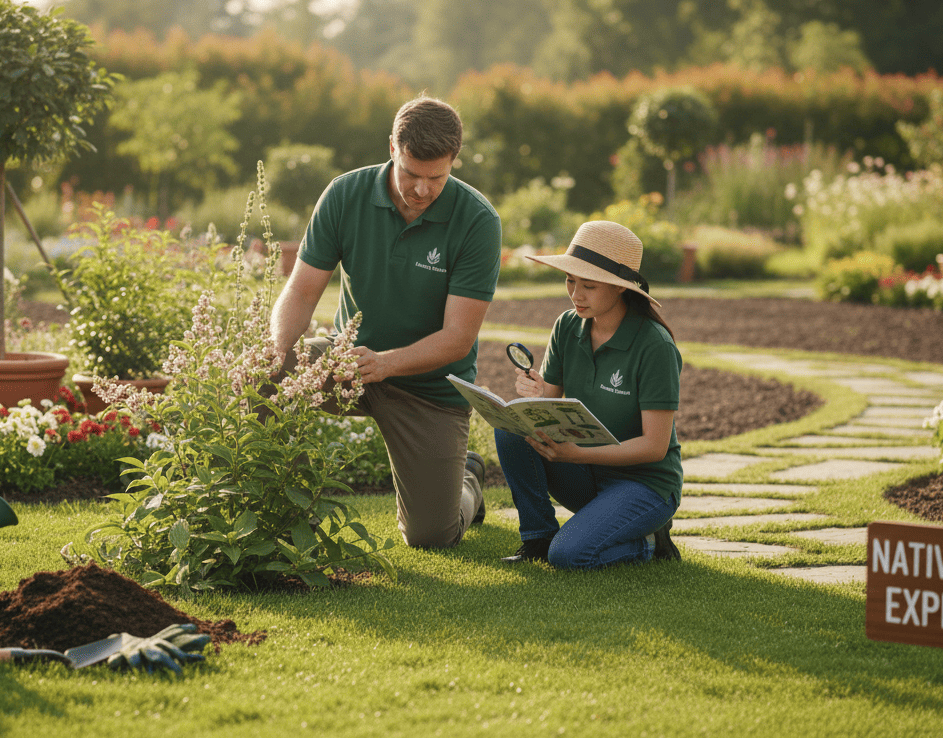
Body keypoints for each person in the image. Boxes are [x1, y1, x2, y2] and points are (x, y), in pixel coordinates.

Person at [270, 96, 501, 548]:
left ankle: (467, 481)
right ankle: (292, 514)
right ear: (392, 148)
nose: (422, 189)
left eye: (436, 178)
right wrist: (277, 349)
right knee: (264, 375)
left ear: (454, 160)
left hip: (430, 387)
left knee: (431, 536)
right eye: (411, 173)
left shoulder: (477, 220)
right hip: (348, 363)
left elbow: (458, 338)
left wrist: (387, 363)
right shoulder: (345, 194)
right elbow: (301, 291)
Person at [495, 220, 683, 568]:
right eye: (570, 281)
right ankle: (538, 538)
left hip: (644, 484)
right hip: (584, 470)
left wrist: (577, 454)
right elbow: (548, 403)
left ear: (620, 288)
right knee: (511, 429)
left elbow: (655, 447)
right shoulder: (567, 326)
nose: (576, 295)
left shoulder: (654, 346)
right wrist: (534, 393)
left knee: (568, 555)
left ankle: (648, 541)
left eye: (589, 286)